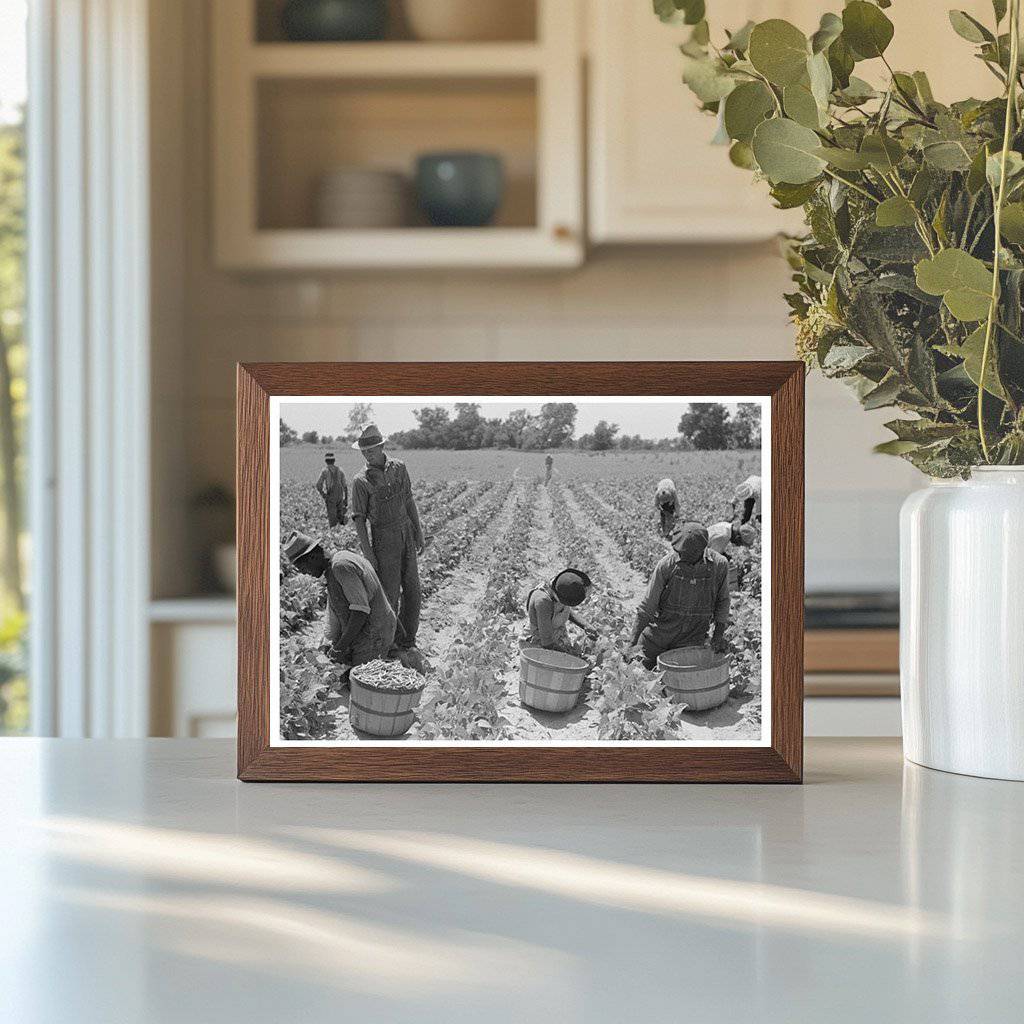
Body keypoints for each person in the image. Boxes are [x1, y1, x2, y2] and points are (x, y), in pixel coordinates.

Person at [349, 423, 424, 651]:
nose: (367, 454)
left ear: (382, 447)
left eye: (371, 449)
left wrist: (418, 532)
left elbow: (409, 500)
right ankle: (389, 643)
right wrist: (368, 553)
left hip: (405, 533)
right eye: (364, 451)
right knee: (389, 595)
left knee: (413, 590)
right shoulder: (360, 481)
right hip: (382, 540)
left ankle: (408, 639)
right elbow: (359, 520)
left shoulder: (399, 468)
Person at [283, 530, 396, 669]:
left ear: (311, 557)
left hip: (374, 635)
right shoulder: (336, 565)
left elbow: (361, 611)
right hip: (371, 630)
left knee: (357, 683)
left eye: (301, 568)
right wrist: (330, 642)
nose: (304, 573)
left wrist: (340, 648)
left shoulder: (341, 566)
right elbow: (335, 612)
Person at [629, 521, 730, 670]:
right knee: (637, 672)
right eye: (679, 551)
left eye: (686, 553)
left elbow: (723, 601)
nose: (680, 555)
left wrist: (718, 635)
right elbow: (647, 607)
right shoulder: (666, 565)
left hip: (691, 640)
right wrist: (632, 644)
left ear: (702, 550)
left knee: (683, 682)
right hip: (658, 637)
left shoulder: (719, 565)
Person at [520, 568, 597, 655]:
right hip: (538, 640)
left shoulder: (561, 587)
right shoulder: (542, 602)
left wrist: (585, 625)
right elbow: (547, 642)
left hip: (556, 632)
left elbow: (564, 610)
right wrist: (569, 655)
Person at [707, 518, 756, 589]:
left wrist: (725, 555)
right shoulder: (723, 537)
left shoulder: (726, 526)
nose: (738, 545)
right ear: (738, 537)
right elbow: (711, 558)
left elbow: (713, 546)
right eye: (740, 543)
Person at [315, 451, 348, 529]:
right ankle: (342, 534)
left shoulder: (325, 471)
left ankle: (334, 536)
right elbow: (345, 486)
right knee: (341, 518)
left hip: (330, 498)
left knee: (333, 521)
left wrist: (324, 495)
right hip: (340, 497)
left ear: (326, 461)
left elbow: (318, 485)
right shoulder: (340, 470)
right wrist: (346, 499)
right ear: (334, 461)